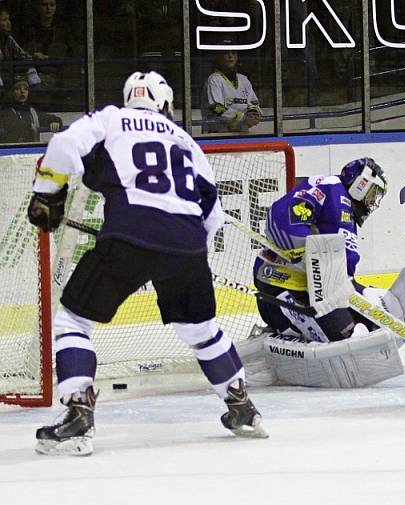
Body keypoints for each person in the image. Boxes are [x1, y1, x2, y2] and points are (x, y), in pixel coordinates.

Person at [26, 70, 268, 456]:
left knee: (73, 319)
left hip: (129, 236)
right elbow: (213, 215)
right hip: (187, 245)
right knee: (201, 328)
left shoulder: (111, 118)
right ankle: (242, 408)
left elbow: (63, 145)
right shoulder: (186, 141)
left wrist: (46, 194)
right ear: (166, 103)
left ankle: (77, 412)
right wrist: (183, 249)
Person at [239, 158, 405, 388]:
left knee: (375, 321)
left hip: (316, 291)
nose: (372, 202)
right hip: (283, 293)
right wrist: (303, 251)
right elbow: (280, 216)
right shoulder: (331, 190)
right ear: (361, 183)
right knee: (350, 339)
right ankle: (271, 356)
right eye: (372, 194)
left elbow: (339, 271)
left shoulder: (341, 202)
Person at [200, 40, 261, 133]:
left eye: (233, 53)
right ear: (218, 57)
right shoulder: (214, 80)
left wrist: (253, 114)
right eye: (226, 53)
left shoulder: (244, 79)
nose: (230, 56)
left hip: (241, 131)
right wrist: (243, 117)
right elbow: (217, 109)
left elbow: (254, 103)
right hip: (217, 133)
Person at [0, 74, 61, 142]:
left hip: (30, 151)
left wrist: (55, 121)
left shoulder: (32, 112)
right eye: (17, 89)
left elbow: (50, 118)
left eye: (25, 89)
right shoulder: (4, 113)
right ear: (11, 92)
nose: (22, 91)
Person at [0, 5, 39, 89]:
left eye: (8, 19)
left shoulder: (9, 39)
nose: (8, 22)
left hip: (8, 78)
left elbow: (24, 56)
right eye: (4, 20)